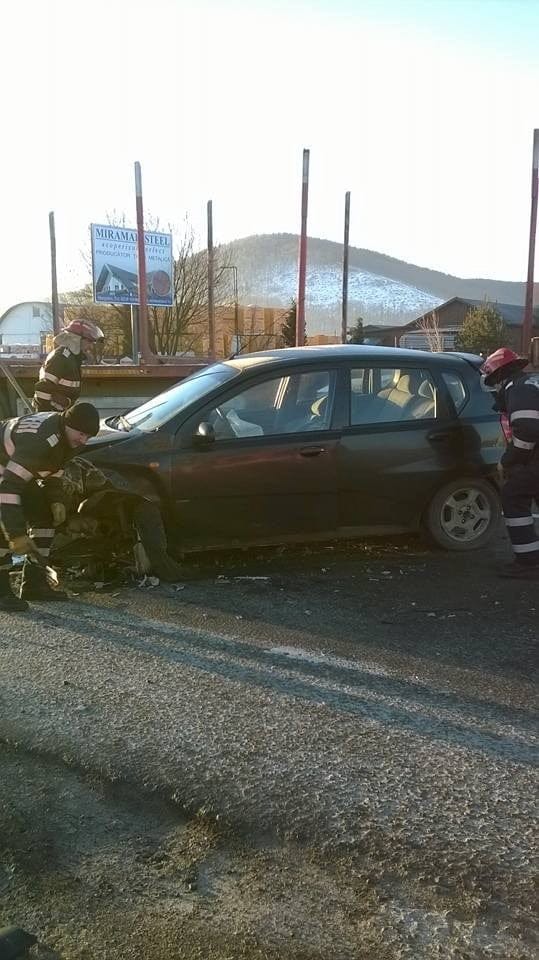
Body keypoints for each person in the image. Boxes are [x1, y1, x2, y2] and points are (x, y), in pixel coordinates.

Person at [0, 402, 101, 611]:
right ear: (67, 424)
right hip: (6, 470)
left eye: (88, 436)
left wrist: (56, 500)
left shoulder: (70, 437)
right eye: (81, 434)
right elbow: (8, 490)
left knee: (44, 517)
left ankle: (34, 583)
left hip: (15, 466)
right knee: (3, 529)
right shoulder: (39, 441)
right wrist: (15, 534)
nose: (83, 441)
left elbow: (53, 469)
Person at [481, 347, 539, 580]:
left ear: (499, 376)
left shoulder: (518, 389)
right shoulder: (530, 383)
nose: (493, 389)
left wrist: (508, 461)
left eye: (492, 382)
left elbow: (527, 430)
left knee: (513, 496)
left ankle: (528, 562)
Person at [33, 319, 105, 412]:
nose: (90, 346)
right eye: (89, 342)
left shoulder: (71, 358)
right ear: (76, 339)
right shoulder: (61, 358)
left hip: (60, 412)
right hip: (53, 413)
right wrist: (45, 415)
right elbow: (43, 388)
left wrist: (67, 403)